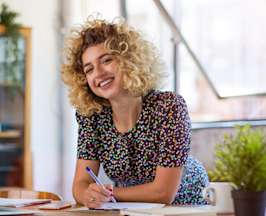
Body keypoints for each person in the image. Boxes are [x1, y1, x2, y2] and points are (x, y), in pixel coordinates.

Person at [61, 17, 209, 208]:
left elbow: (163, 193)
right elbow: (80, 185)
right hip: (130, 208)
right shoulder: (92, 116)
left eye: (106, 60)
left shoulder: (169, 107)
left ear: (128, 60)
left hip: (185, 208)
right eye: (89, 69)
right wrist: (89, 194)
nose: (97, 73)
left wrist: (108, 193)